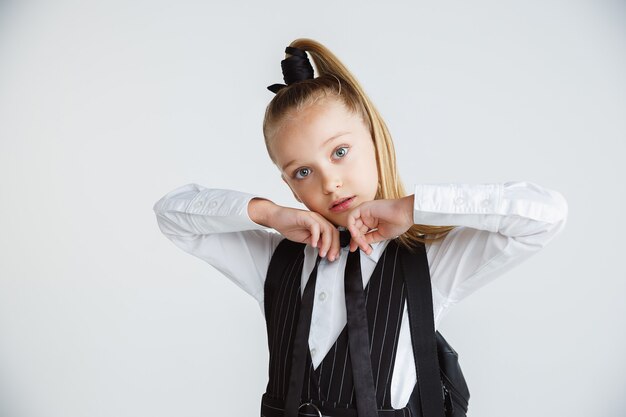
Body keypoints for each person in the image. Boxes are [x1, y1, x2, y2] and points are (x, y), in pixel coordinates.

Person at [152, 38, 568, 417]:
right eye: (302, 172)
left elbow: (543, 216)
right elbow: (173, 216)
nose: (329, 182)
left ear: (374, 138)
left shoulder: (429, 264)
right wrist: (268, 214)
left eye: (340, 151)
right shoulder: (273, 261)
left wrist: (414, 207)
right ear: (289, 186)